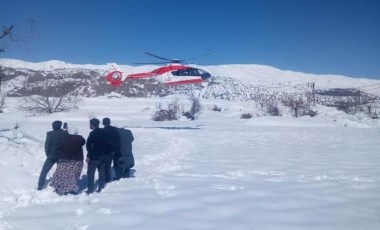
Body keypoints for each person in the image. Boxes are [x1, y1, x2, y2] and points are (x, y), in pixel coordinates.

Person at [50, 126, 85, 195]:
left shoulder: (63, 138)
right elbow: (83, 142)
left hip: (64, 159)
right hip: (76, 161)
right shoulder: (79, 138)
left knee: (62, 174)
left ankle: (61, 189)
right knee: (73, 175)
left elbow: (58, 146)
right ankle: (72, 189)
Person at [37, 120, 67, 190]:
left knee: (44, 171)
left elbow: (47, 146)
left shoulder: (50, 134)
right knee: (60, 172)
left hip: (51, 156)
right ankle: (58, 186)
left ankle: (40, 186)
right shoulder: (65, 133)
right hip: (61, 156)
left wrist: (48, 154)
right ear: (60, 126)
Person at [86, 118, 109, 194]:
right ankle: (101, 187)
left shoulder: (93, 133)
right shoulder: (104, 132)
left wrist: (89, 156)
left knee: (90, 173)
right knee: (101, 172)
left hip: (94, 157)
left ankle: (90, 189)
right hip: (103, 156)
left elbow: (90, 146)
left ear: (92, 125)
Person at [102, 117, 120, 183]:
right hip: (114, 149)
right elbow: (118, 140)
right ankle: (116, 176)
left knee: (106, 165)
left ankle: (106, 178)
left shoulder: (102, 131)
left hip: (106, 151)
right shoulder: (115, 130)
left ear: (103, 123)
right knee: (114, 164)